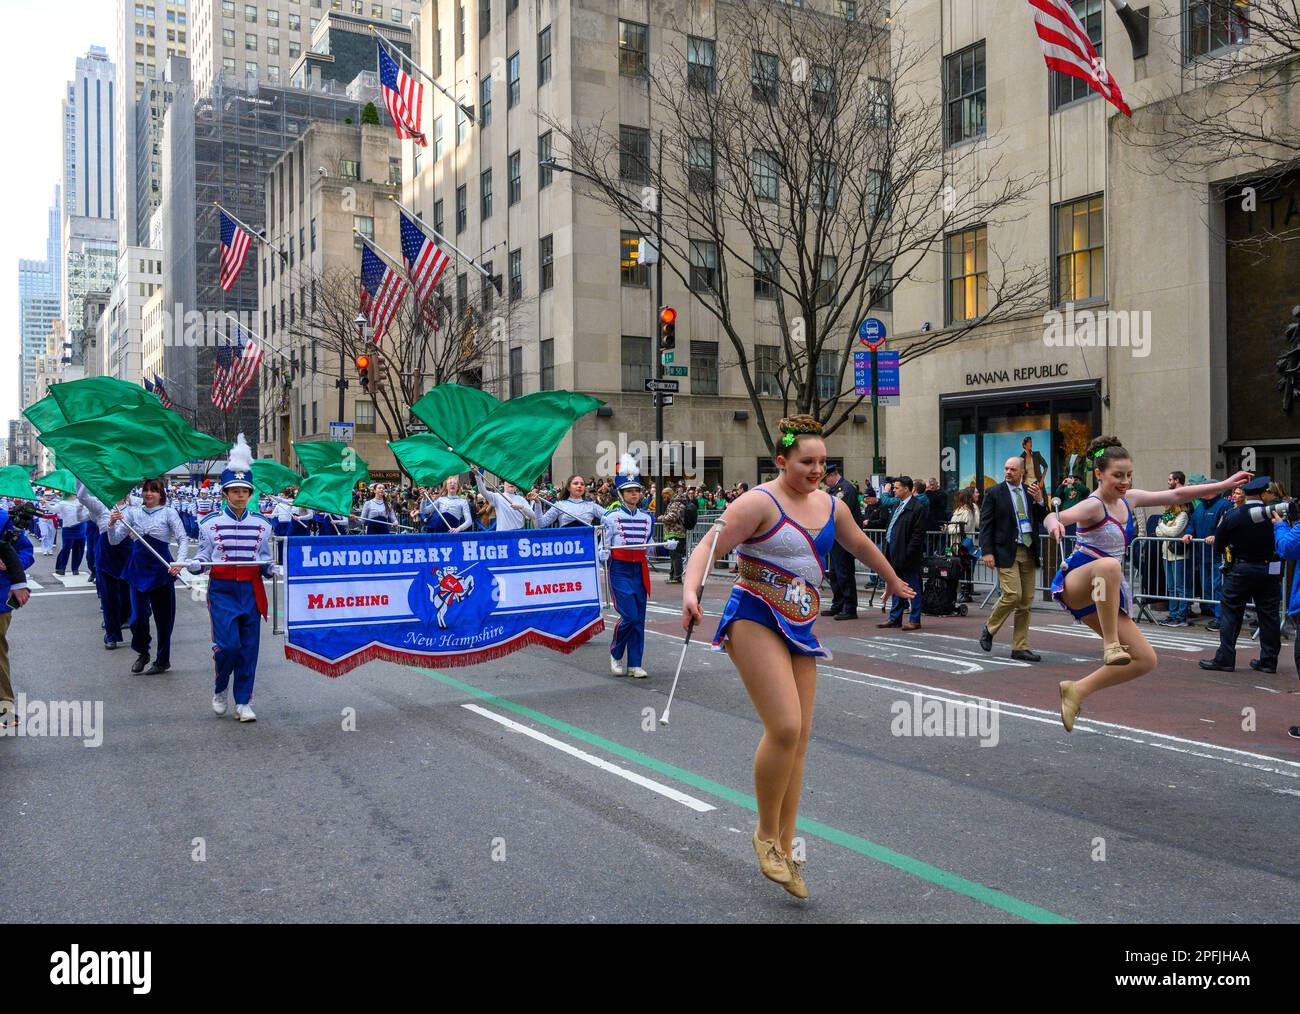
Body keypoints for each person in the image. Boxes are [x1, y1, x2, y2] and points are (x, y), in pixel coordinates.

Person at [681, 416, 914, 899]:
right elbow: (707, 547)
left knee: (800, 740)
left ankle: (786, 847)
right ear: (781, 461)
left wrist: (891, 580)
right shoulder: (757, 503)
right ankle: (765, 834)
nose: (816, 470)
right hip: (753, 617)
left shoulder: (832, 505)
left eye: (823, 463)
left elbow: (860, 544)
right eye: (807, 461)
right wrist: (689, 592)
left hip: (801, 625)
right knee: (784, 726)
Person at [1045, 437, 1248, 730]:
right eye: (1118, 475)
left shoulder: (1130, 499)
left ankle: (1076, 690)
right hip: (1079, 580)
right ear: (1099, 473)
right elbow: (1055, 516)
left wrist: (1224, 484)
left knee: (1144, 660)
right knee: (1110, 565)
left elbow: (1179, 496)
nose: (1125, 481)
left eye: (1129, 475)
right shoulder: (1092, 505)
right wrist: (1054, 524)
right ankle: (1111, 644)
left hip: (1107, 590)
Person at [187, 437, 275, 722]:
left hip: (251, 590)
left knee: (249, 648)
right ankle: (220, 687)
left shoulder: (263, 524)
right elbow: (203, 556)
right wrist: (196, 564)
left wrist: (270, 569)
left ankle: (244, 701)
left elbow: (264, 559)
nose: (239, 495)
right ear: (225, 493)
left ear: (250, 494)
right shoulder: (209, 523)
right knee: (228, 647)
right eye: (234, 491)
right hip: (222, 590)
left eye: (244, 491)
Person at [1198, 476, 1283, 674]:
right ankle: (1269, 661)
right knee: (1269, 616)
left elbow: (1219, 544)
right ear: (1263, 495)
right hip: (1268, 569)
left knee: (1231, 614)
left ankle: (1225, 658)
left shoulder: (1234, 515)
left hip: (1240, 570)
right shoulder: (1273, 515)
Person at [109, 477, 190, 675]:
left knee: (164, 620)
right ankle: (143, 652)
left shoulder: (169, 512)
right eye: (146, 490)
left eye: (154, 490)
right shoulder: (133, 513)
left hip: (162, 570)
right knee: (137, 619)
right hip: (137, 570)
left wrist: (178, 563)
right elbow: (114, 540)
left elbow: (182, 538)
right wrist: (112, 523)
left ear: (161, 493)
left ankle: (163, 660)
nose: (149, 494)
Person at [977, 457, 1048, 662]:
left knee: (1026, 602)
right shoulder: (994, 493)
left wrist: (1040, 500)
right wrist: (987, 551)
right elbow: (986, 524)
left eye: (1013, 469)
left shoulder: (1030, 491)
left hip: (1028, 549)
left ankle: (1020, 646)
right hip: (1005, 550)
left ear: (1022, 472)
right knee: (1012, 594)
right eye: (1006, 468)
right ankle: (989, 628)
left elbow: (1042, 516)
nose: (1008, 472)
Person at [602, 464, 656, 678]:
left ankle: (635, 663)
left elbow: (649, 544)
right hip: (620, 569)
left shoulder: (647, 518)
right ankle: (616, 653)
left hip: (640, 569)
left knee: (639, 619)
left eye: (637, 491)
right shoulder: (610, 517)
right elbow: (604, 546)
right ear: (621, 494)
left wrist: (664, 547)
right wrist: (603, 554)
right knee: (630, 616)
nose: (635, 494)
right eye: (630, 491)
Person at [76, 483, 133, 650]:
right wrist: (82, 477)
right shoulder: (101, 505)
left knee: (127, 595)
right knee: (108, 596)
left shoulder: (135, 506)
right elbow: (82, 497)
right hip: (106, 553)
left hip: (127, 553)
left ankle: (126, 621)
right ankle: (111, 634)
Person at [0, 501, 34, 729]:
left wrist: (10, 565)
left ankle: (4, 706)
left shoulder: (3, 520)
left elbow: (26, 551)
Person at [878, 477, 927, 629]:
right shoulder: (897, 506)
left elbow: (917, 536)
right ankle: (895, 617)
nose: (893, 490)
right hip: (893, 552)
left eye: (897, 487)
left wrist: (908, 554)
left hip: (908, 556)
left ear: (906, 489)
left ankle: (914, 619)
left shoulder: (917, 508)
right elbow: (891, 529)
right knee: (895, 584)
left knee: (912, 587)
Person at [821, 463, 863, 620]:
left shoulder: (845, 489)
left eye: (826, 480)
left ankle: (850, 607)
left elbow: (838, 512)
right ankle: (838, 604)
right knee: (834, 572)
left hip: (845, 536)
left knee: (844, 571)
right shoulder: (834, 490)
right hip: (836, 536)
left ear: (832, 475)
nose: (825, 483)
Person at [1155, 503, 1192, 626]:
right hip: (1166, 554)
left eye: (1166, 501)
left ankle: (1182, 616)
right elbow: (1157, 533)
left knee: (1180, 587)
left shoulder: (1182, 515)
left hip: (1179, 555)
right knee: (1171, 587)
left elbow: (1174, 532)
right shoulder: (1166, 516)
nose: (1163, 504)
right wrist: (1166, 529)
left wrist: (1161, 525)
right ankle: (1173, 613)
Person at [534, 475, 605, 528]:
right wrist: (537, 503)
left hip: (587, 545)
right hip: (566, 545)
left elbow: (611, 517)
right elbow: (541, 523)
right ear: (568, 487)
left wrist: (601, 528)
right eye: (575, 483)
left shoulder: (592, 506)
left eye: (582, 484)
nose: (579, 486)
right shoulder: (560, 505)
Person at [949, 487, 979, 602]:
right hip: (957, 544)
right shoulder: (960, 509)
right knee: (963, 568)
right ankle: (964, 592)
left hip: (963, 544)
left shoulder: (967, 510)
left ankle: (965, 593)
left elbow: (964, 527)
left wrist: (949, 528)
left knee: (964, 568)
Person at [53, 492, 89, 577]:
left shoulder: (81, 501)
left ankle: (75, 568)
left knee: (79, 549)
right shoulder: (62, 503)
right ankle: (61, 568)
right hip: (68, 528)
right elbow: (53, 510)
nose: (75, 494)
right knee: (66, 548)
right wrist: (45, 503)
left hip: (80, 527)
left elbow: (88, 511)